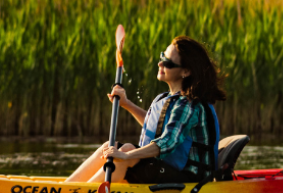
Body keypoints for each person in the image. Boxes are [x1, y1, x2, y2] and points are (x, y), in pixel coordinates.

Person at [64, 35, 226, 185]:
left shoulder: (188, 105)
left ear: (186, 71)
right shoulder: (168, 98)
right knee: (110, 145)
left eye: (168, 63)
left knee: (126, 150)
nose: (160, 64)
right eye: (162, 57)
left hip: (189, 179)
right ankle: (67, 188)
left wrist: (126, 155)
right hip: (169, 171)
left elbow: (166, 143)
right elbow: (156, 130)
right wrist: (127, 104)